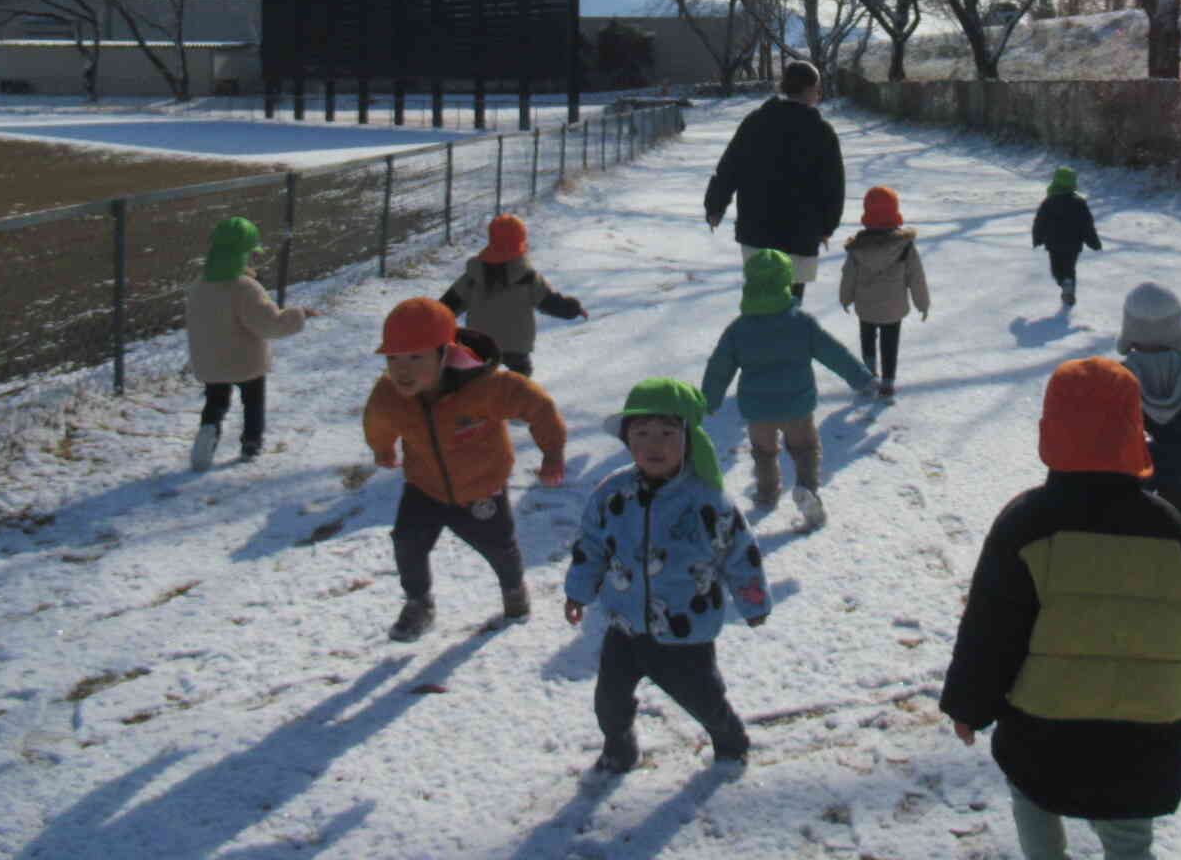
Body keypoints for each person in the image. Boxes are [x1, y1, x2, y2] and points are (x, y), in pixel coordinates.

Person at [940, 357, 1181, 860]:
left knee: (1033, 798)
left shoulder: (1027, 524)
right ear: (1135, 430)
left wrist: (968, 706)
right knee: (1129, 836)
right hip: (1145, 736)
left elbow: (992, 628)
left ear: (1051, 430)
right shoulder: (1167, 526)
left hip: (1045, 732)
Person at [563, 378, 771, 774]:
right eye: (641, 434)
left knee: (704, 699)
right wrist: (578, 592)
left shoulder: (707, 501)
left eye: (666, 433)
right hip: (624, 626)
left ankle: (730, 739)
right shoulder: (612, 494)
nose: (653, 445)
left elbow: (740, 555)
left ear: (688, 438)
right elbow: (591, 545)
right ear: (627, 441)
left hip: (685, 632)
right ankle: (619, 746)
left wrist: (753, 602)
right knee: (609, 701)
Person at [362, 297, 567, 642]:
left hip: (481, 486)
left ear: (445, 353)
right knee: (407, 542)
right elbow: (377, 419)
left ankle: (514, 590)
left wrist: (552, 453)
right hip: (424, 486)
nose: (402, 369)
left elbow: (538, 406)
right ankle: (418, 602)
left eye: (416, 357)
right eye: (393, 358)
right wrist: (382, 447)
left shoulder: (486, 388)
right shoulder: (390, 393)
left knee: (499, 547)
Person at [702, 247, 874, 529]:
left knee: (764, 451)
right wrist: (861, 378)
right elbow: (834, 353)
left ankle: (767, 493)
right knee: (805, 448)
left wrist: (709, 399)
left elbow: (719, 367)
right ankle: (807, 489)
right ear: (785, 282)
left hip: (758, 410)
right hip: (797, 405)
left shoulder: (739, 328)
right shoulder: (800, 323)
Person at [703, 59, 844, 301]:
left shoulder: (755, 122)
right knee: (790, 308)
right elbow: (833, 185)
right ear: (809, 89)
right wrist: (828, 226)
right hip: (800, 233)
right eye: (818, 87)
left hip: (757, 231)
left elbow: (729, 167)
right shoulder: (821, 131)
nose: (819, 93)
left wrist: (715, 207)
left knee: (760, 303)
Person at [183, 216, 313, 469]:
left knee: (215, 401)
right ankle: (251, 442)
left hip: (210, 360)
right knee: (252, 401)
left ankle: (208, 429)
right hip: (245, 360)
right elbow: (269, 324)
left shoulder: (199, 286)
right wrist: (298, 314)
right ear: (245, 255)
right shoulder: (245, 287)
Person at [1117, 283, 1181, 526]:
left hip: (1135, 461)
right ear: (1175, 327)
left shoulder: (1118, 377)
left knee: (1132, 513)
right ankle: (1179, 551)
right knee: (1178, 511)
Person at [438, 212, 587, 378]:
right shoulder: (528, 277)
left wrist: (427, 322)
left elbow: (448, 306)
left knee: (476, 380)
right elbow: (550, 302)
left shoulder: (474, 276)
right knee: (521, 378)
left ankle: (479, 399)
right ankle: (518, 399)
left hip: (479, 343)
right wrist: (572, 309)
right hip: (516, 347)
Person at [837, 184, 931, 397]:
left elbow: (848, 275)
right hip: (893, 308)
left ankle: (869, 374)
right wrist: (922, 304)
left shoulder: (858, 247)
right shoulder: (905, 246)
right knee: (890, 342)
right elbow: (916, 277)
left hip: (866, 306)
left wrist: (845, 298)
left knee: (867, 338)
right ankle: (888, 382)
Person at [1031, 166, 1102, 308]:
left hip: (1054, 244)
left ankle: (1064, 283)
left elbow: (1039, 222)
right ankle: (1068, 286)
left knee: (1056, 269)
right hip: (1074, 244)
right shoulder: (1079, 203)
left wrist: (1037, 238)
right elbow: (1087, 225)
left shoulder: (1048, 202)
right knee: (1069, 268)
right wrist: (1093, 242)